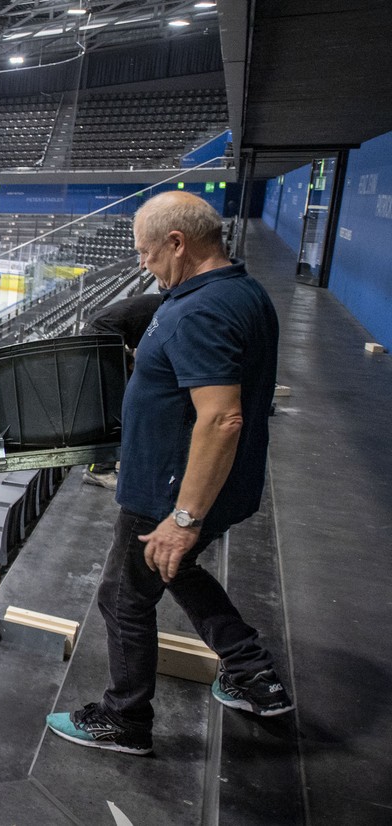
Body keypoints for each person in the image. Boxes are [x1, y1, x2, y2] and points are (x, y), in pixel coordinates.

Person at [46, 191, 293, 757]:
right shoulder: (242, 291)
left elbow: (222, 418)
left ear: (178, 244)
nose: (142, 263)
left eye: (148, 252)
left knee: (123, 599)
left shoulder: (198, 310)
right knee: (177, 570)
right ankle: (253, 672)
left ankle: (124, 719)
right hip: (203, 486)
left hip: (169, 491)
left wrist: (182, 517)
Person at [80, 292, 165, 489]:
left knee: (120, 403)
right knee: (114, 407)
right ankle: (98, 470)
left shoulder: (168, 306)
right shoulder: (172, 310)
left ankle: (104, 466)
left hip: (108, 335)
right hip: (102, 335)